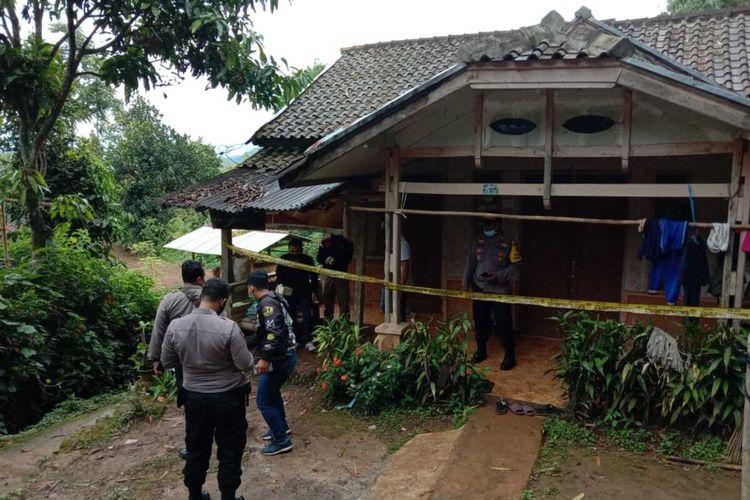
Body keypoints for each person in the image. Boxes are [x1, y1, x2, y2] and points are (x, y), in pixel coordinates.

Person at [161, 278, 253, 500]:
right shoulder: (228, 328)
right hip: (228, 399)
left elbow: (166, 361)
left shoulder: (176, 326)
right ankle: (228, 496)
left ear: (201, 297)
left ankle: (195, 494)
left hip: (194, 398)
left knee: (196, 447)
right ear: (222, 301)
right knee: (230, 448)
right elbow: (246, 364)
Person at [246, 270, 297, 456]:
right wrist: (245, 341)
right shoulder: (273, 297)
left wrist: (264, 358)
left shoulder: (267, 304)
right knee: (272, 393)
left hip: (279, 358)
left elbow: (273, 334)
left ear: (251, 287)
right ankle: (280, 427)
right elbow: (265, 333)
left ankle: (282, 440)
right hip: (285, 354)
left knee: (263, 399)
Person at [463, 218, 521, 370]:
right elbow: (470, 262)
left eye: (491, 224)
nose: (487, 227)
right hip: (480, 288)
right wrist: (465, 282)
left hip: (499, 290)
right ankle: (481, 351)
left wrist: (499, 276)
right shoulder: (478, 239)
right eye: (485, 224)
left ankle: (510, 355)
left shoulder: (509, 241)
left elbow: (516, 266)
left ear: (497, 224)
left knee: (503, 324)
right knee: (480, 321)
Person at [148, 260, 205, 412]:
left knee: (187, 391)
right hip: (210, 354)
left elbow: (158, 330)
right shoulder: (210, 298)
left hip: (182, 358)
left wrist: (156, 358)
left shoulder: (169, 301)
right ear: (200, 279)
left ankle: (192, 415)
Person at [276, 237, 318, 351]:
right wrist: (279, 285)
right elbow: (279, 274)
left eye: (297, 251)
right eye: (292, 251)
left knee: (307, 317)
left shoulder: (307, 259)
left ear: (301, 249)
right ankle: (295, 340)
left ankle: (308, 340)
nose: (294, 254)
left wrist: (314, 291)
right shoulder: (283, 259)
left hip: (304, 291)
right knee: (290, 317)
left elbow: (314, 276)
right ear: (289, 249)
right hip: (289, 293)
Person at [316, 233, 354, 319]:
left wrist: (336, 259)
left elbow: (348, 257)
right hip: (328, 275)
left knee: (343, 301)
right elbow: (319, 257)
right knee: (327, 300)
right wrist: (325, 261)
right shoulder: (325, 242)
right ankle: (329, 324)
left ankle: (344, 326)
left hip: (341, 275)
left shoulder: (346, 243)